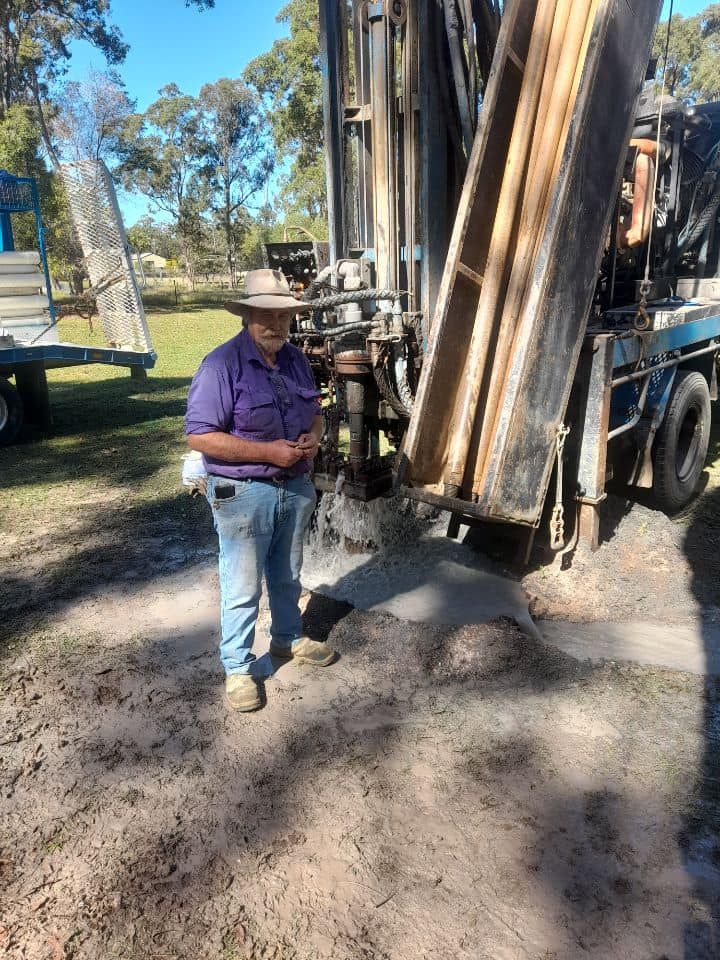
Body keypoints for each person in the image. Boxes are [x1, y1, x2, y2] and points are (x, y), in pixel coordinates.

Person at [185, 269, 336, 712]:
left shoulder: (295, 360)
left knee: (288, 573)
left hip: (294, 487)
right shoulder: (220, 365)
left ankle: (287, 640)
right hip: (244, 491)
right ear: (247, 315)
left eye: (283, 317)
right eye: (265, 316)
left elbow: (316, 415)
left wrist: (315, 436)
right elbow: (199, 435)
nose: (275, 325)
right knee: (243, 583)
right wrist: (268, 452)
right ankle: (237, 667)